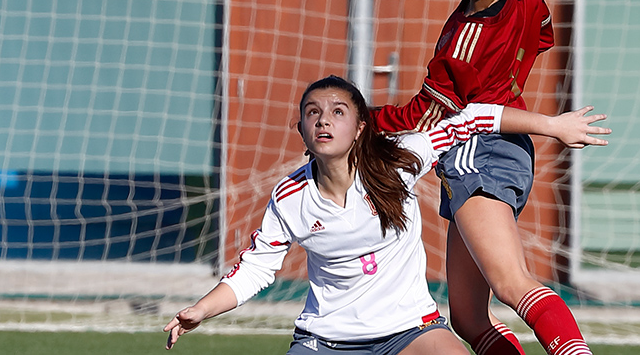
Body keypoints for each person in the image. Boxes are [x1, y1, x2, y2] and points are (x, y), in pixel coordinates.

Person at [371, 0, 639, 355]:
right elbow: (541, 36)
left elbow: (431, 114)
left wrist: (364, 119)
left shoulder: (465, 38)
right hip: (507, 152)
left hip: (480, 148)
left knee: (512, 284)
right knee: (468, 319)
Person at [163, 75, 610, 354]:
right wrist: (201, 310)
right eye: (312, 113)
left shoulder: (399, 160)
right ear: (300, 127)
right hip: (326, 342)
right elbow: (254, 270)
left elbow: (471, 119)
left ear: (360, 127)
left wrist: (552, 126)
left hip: (411, 333)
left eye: (337, 112)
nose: (323, 121)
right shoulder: (290, 197)